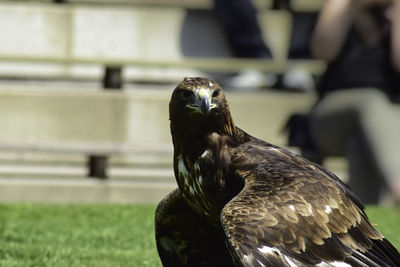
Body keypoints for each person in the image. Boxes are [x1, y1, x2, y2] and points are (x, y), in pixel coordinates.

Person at [308, 0, 400, 204]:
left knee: (360, 141)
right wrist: (352, 6)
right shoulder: (342, 4)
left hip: (387, 119)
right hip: (332, 115)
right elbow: (323, 51)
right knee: (370, 100)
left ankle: (365, 215)